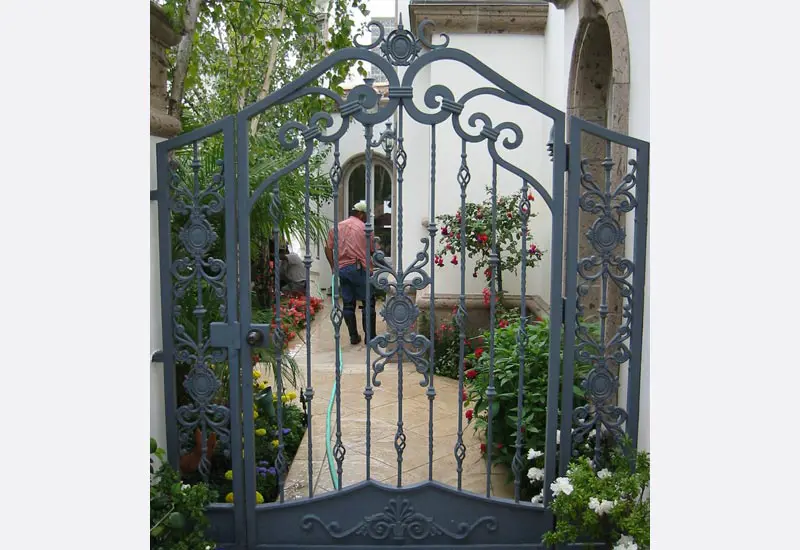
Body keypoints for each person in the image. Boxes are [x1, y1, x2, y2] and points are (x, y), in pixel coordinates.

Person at [324, 200, 376, 345]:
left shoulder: (336, 227)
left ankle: (354, 337)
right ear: (360, 214)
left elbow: (328, 247)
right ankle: (370, 338)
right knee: (368, 303)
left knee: (348, 304)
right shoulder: (366, 229)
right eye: (366, 215)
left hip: (342, 269)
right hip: (360, 269)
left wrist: (334, 266)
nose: (367, 218)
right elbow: (372, 251)